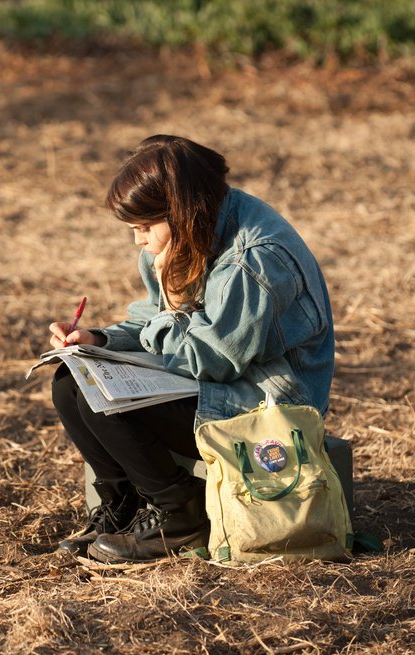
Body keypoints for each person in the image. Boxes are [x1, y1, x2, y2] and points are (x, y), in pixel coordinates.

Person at [47, 135, 335, 563]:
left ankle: (179, 515)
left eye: (145, 227)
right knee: (71, 381)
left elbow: (212, 360)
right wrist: (98, 340)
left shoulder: (252, 261)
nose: (139, 242)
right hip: (221, 376)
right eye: (133, 230)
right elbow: (151, 319)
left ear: (181, 210)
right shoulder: (191, 230)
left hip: (268, 401)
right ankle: (123, 508)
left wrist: (170, 300)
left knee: (105, 401)